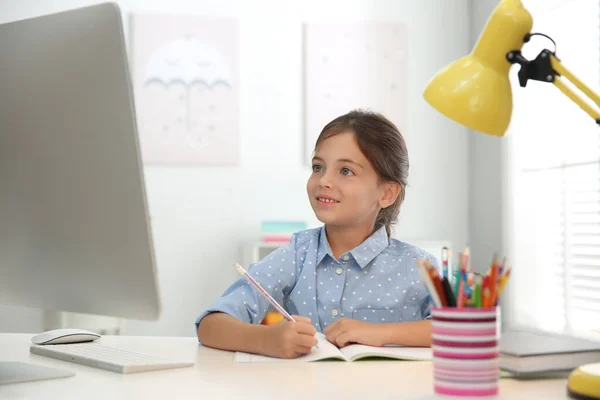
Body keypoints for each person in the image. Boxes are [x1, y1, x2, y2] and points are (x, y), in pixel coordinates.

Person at [197, 109, 439, 359]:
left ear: (387, 193)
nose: (324, 180)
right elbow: (210, 325)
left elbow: (467, 329)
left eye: (346, 171)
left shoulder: (419, 266)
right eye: (318, 167)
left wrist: (381, 333)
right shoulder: (297, 255)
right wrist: (266, 339)